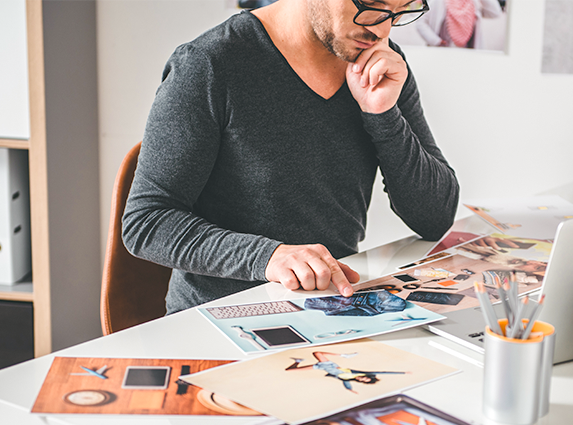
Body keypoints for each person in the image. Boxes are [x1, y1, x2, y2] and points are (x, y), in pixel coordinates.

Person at [122, 0, 461, 314]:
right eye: (371, 3)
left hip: (333, 311)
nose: (382, 30)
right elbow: (147, 221)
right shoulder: (209, 64)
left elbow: (435, 218)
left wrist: (383, 115)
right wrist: (268, 256)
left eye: (401, 10)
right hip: (222, 319)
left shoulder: (379, 64)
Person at [285, 351, 408, 393]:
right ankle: (343, 355)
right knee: (317, 353)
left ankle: (298, 361)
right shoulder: (355, 373)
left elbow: (346, 384)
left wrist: (350, 390)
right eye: (365, 378)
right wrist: (402, 373)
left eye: (363, 381)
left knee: (289, 370)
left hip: (321, 367)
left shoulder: (348, 379)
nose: (362, 379)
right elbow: (382, 372)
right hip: (330, 365)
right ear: (366, 376)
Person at [416, 0, 503, 48]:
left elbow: (495, 12)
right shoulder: (439, 2)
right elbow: (420, 21)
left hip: (468, 55)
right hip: (442, 53)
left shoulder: (473, 3)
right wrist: (436, 41)